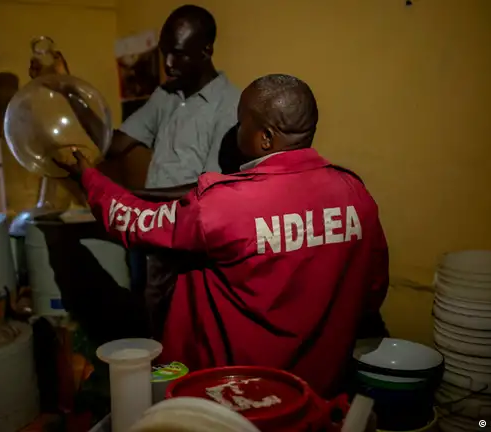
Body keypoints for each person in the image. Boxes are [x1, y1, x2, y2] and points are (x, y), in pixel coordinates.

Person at [56, 73, 389, 397]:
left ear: (266, 138)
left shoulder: (226, 204)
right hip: (317, 391)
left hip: (233, 395)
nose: (236, 130)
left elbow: (134, 222)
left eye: (241, 123)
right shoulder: (354, 194)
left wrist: (88, 177)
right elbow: (372, 290)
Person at [30, 4, 241, 338]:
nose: (168, 64)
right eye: (164, 52)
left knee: (185, 333)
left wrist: (124, 198)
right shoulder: (166, 96)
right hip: (150, 235)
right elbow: (113, 145)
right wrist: (67, 88)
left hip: (189, 248)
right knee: (152, 327)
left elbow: (208, 193)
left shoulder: (229, 105)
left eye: (178, 54)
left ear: (205, 50)